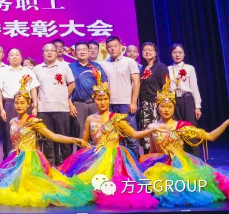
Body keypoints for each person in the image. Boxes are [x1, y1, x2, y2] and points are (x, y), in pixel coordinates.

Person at [0, 75, 92, 207]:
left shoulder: (33, 122)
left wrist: (74, 139)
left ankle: (67, 188)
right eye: (17, 103)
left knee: (38, 186)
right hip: (15, 158)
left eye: (22, 103)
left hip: (30, 160)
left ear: (29, 103)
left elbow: (53, 136)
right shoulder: (12, 121)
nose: (19, 105)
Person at [59, 70, 161, 208]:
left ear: (109, 99)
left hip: (114, 157)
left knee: (114, 187)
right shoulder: (90, 119)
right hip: (95, 155)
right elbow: (85, 142)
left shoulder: (116, 118)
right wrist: (85, 156)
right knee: (83, 184)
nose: (102, 102)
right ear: (94, 100)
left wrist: (151, 130)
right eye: (99, 99)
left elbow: (134, 134)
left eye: (105, 99)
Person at [139, 78, 229, 206]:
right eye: (163, 106)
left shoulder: (181, 126)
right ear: (157, 107)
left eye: (169, 107)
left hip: (181, 164)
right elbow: (153, 151)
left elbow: (210, 137)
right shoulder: (152, 127)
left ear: (174, 108)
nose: (166, 110)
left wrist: (226, 123)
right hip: (161, 165)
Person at [32, 43, 75, 166]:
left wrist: (63, 96)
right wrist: (35, 106)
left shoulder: (65, 67)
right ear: (43, 53)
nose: (49, 53)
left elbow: (72, 84)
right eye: (46, 51)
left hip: (62, 108)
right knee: (47, 141)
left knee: (64, 139)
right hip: (43, 109)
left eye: (52, 50)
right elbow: (34, 88)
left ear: (56, 53)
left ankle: (67, 166)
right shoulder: (37, 69)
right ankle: (50, 166)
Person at [99, 35, 141, 159]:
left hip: (126, 104)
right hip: (110, 105)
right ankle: (121, 164)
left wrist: (133, 102)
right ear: (106, 49)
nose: (112, 49)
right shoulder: (103, 64)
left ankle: (134, 164)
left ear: (121, 47)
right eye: (109, 47)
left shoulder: (129, 62)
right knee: (115, 137)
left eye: (115, 46)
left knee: (131, 136)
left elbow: (136, 82)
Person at [0, 48, 40, 154]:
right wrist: (1, 109)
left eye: (17, 55)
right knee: (10, 134)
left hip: (26, 104)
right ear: (7, 58)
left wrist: (35, 106)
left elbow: (33, 89)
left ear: (21, 57)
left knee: (27, 132)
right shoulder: (3, 72)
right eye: (12, 55)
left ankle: (26, 158)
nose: (15, 57)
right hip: (9, 104)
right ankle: (10, 159)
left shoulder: (28, 71)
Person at [69, 41, 108, 141]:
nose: (82, 52)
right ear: (75, 53)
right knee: (81, 134)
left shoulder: (96, 66)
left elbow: (105, 84)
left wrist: (104, 101)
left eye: (84, 49)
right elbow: (66, 88)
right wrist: (70, 104)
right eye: (79, 50)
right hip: (79, 105)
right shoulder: (70, 67)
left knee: (98, 133)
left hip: (95, 104)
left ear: (88, 51)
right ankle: (82, 152)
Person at [137, 42, 169, 153]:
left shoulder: (160, 67)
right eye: (145, 50)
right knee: (147, 136)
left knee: (158, 134)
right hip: (145, 106)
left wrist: (163, 105)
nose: (147, 52)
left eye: (150, 50)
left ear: (155, 53)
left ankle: (162, 157)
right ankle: (148, 159)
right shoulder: (142, 69)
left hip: (156, 105)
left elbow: (165, 87)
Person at [167, 44, 202, 132]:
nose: (177, 55)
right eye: (174, 52)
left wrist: (197, 106)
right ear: (171, 54)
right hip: (174, 100)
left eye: (180, 52)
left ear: (184, 54)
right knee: (177, 127)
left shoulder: (189, 68)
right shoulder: (168, 69)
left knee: (190, 127)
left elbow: (194, 88)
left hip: (187, 99)